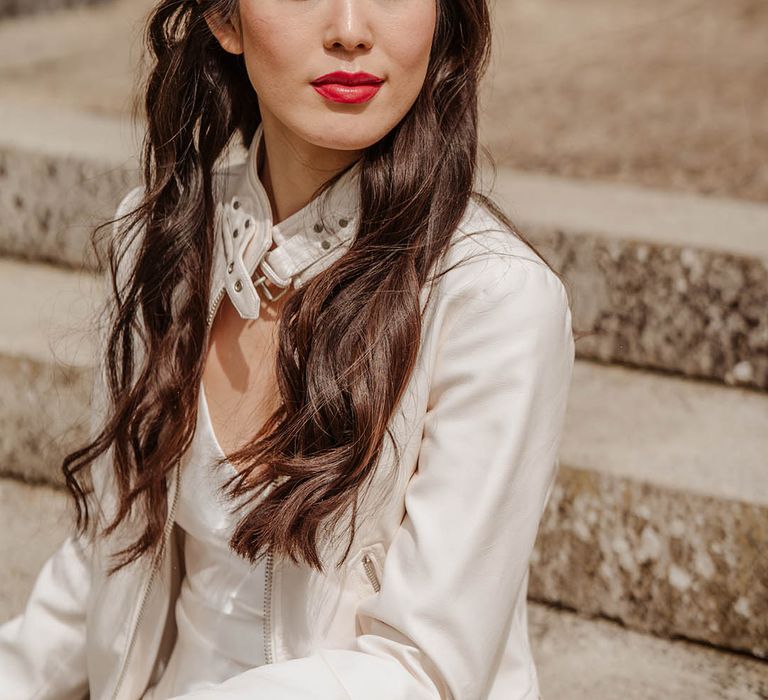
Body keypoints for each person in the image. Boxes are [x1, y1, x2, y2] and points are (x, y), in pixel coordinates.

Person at [0, 0, 575, 698]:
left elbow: (422, 669)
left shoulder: (493, 300)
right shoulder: (162, 237)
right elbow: (111, 556)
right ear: (224, 19)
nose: (351, 29)